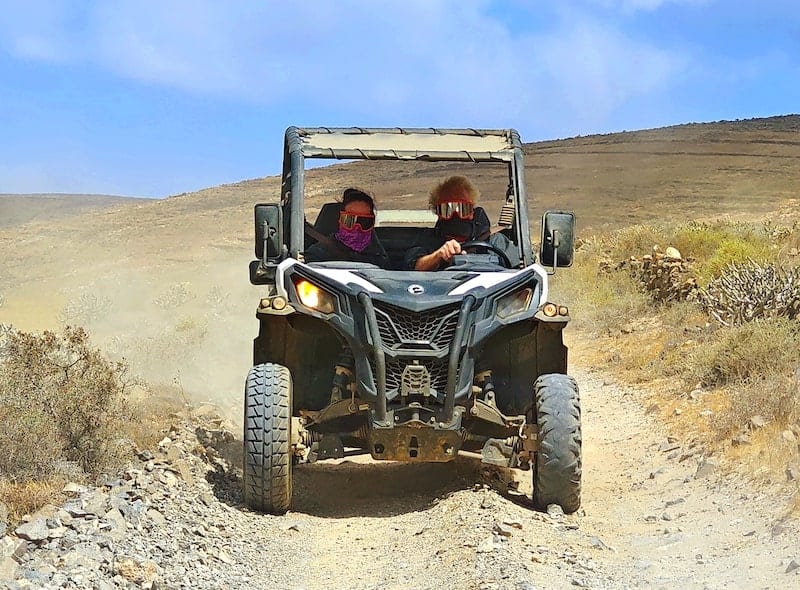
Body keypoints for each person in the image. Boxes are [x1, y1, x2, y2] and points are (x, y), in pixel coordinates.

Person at [404, 175, 520, 271]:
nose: (456, 215)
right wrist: (438, 255)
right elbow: (416, 266)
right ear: (437, 212)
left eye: (463, 208)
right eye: (447, 209)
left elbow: (521, 271)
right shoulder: (429, 239)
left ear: (472, 212)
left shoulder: (495, 241)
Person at [305, 188, 389, 268]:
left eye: (364, 221)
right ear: (340, 220)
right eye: (350, 220)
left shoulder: (379, 256)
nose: (356, 227)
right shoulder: (318, 254)